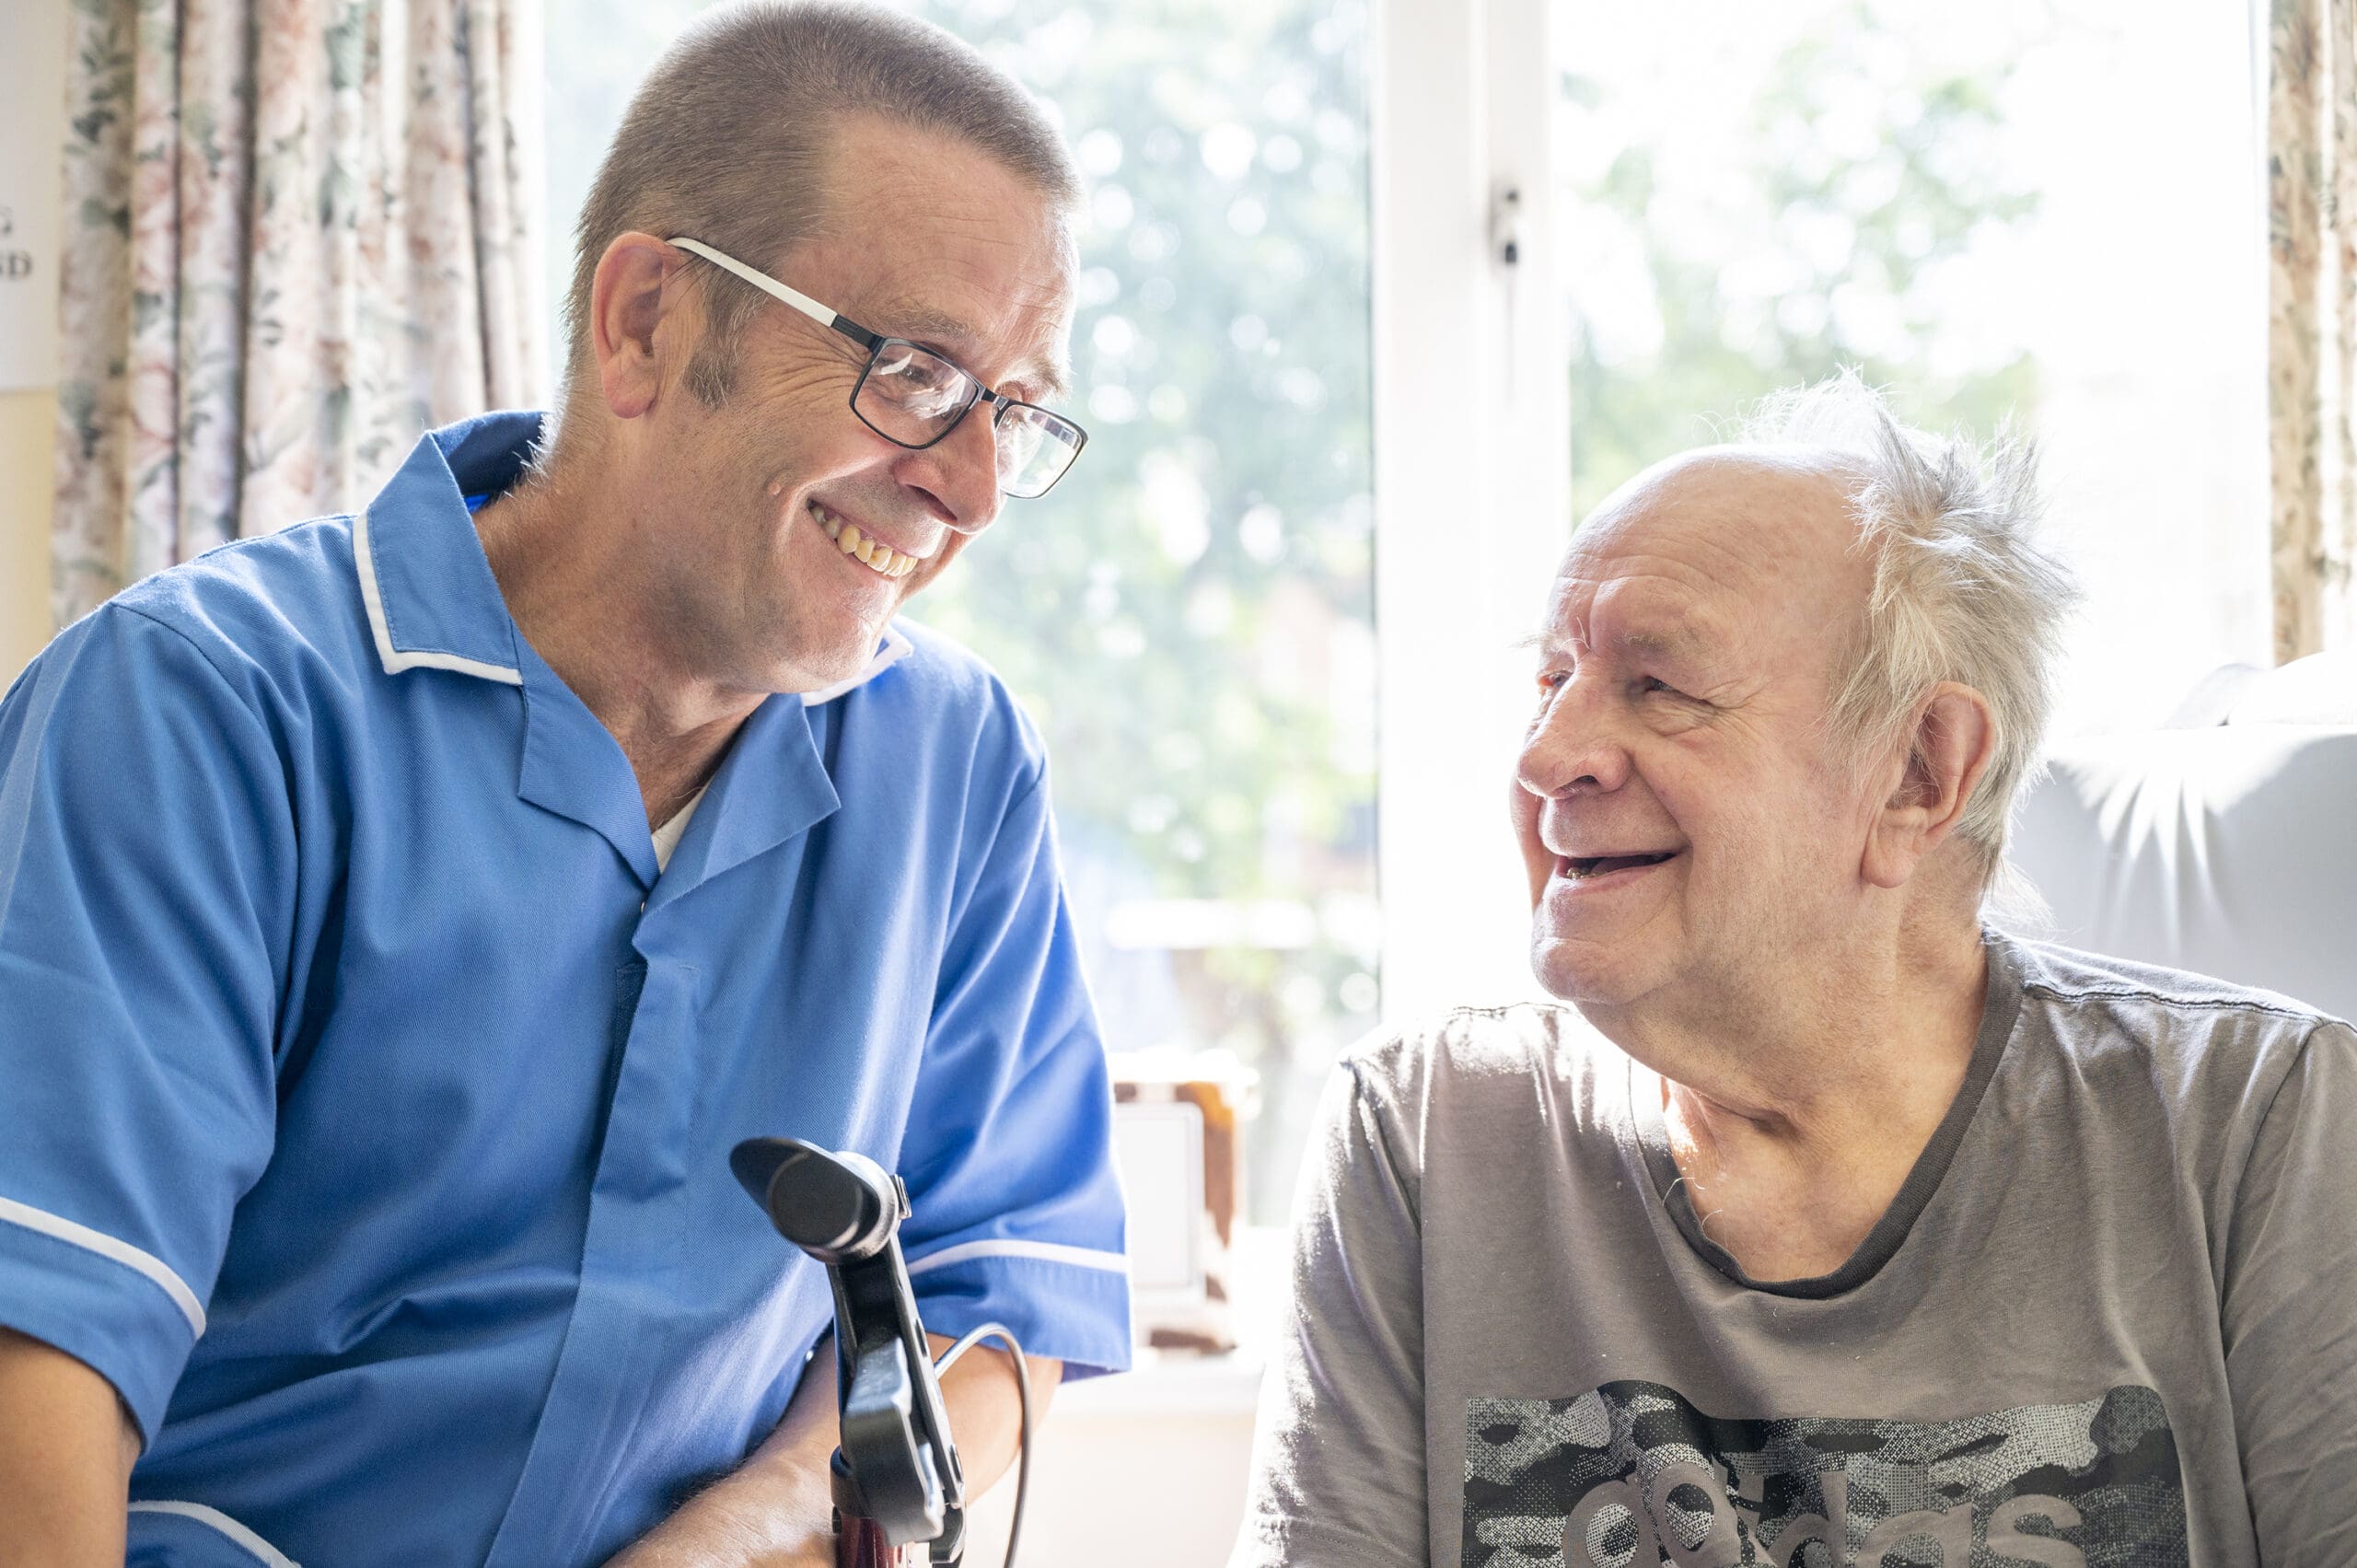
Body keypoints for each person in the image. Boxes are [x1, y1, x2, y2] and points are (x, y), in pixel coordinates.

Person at [0, 5, 1131, 1563]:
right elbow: (36, 1382)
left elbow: (997, 1290)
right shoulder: (198, 712)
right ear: (649, 321)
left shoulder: (958, 768)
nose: (975, 487)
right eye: (921, 373)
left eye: (1014, 408)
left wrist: (741, 1534)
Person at [1232, 376, 2357, 1568]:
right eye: (1553, 678)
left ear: (1921, 774)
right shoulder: (1419, 1141)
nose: (1548, 753)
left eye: (1659, 685)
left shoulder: (2267, 1130)